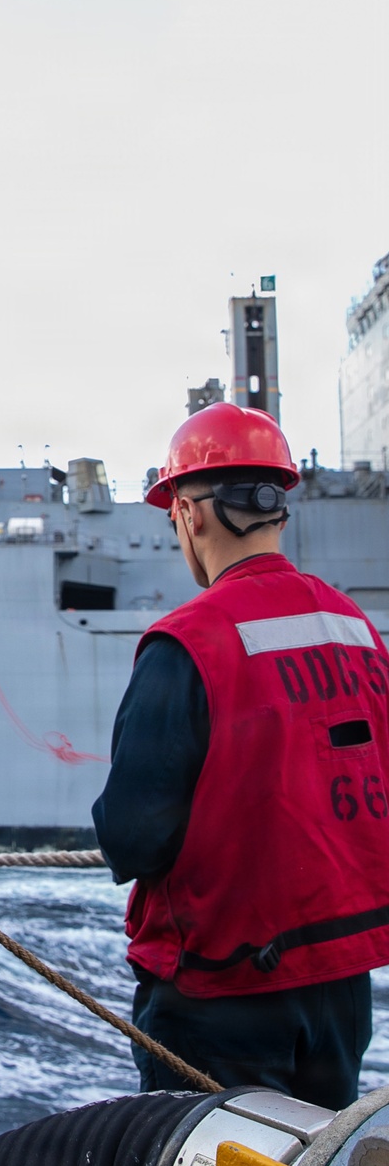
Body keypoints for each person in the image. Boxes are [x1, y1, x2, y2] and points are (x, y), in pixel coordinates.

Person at [93, 402, 389, 1110]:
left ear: (191, 516)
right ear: (277, 509)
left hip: (222, 992)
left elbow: (132, 837)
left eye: (173, 518)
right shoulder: (356, 629)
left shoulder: (187, 641)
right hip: (340, 989)